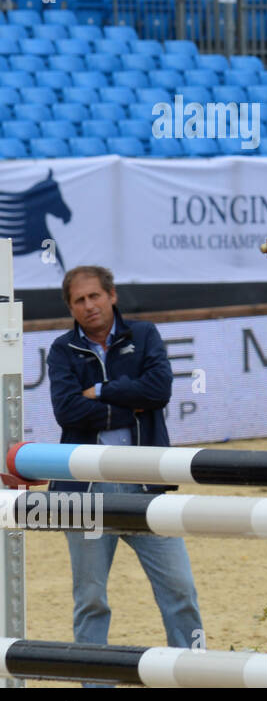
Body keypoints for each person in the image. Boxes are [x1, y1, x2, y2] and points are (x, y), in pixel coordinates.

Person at [46, 266, 203, 669]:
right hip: (84, 493)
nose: (89, 306)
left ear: (112, 295)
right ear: (70, 307)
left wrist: (99, 392)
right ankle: (93, 689)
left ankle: (192, 672)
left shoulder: (145, 334)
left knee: (181, 591)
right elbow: (67, 412)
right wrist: (127, 407)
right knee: (91, 601)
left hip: (145, 487)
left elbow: (159, 390)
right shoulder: (63, 349)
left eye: (94, 296)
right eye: (79, 300)